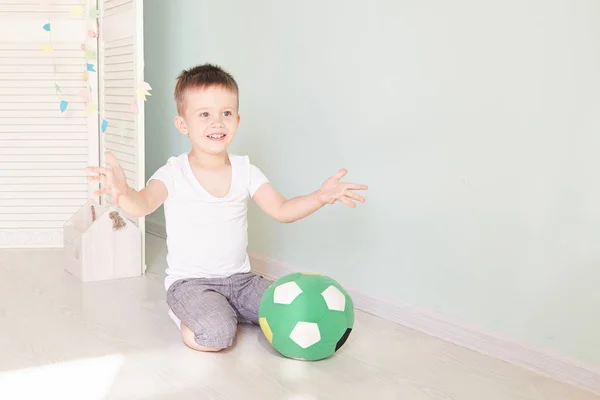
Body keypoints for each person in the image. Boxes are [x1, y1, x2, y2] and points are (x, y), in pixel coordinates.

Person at [85, 64, 368, 352]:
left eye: (226, 113)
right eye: (205, 114)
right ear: (183, 124)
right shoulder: (173, 173)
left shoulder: (246, 170)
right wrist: (123, 193)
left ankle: (230, 311)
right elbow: (142, 204)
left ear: (237, 120)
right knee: (217, 336)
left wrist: (321, 196)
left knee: (295, 310)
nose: (217, 123)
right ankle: (190, 313)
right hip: (192, 284)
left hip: (242, 281)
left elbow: (282, 209)